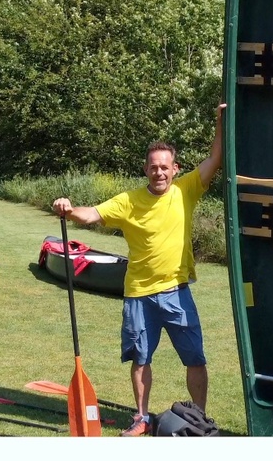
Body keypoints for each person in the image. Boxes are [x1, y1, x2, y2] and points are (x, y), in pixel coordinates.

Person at [52, 104, 224, 437]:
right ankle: (142, 417)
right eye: (153, 168)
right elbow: (92, 215)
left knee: (195, 359)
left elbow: (215, 159)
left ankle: (200, 417)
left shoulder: (186, 190)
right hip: (139, 296)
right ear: (145, 169)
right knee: (141, 359)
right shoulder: (129, 201)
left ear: (175, 169)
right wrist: (69, 210)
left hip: (177, 292)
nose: (159, 173)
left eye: (165, 167)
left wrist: (221, 121)